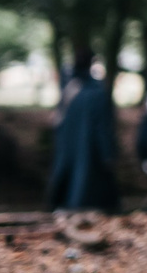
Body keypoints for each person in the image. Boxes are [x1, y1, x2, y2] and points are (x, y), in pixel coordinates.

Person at [47, 61, 120, 212]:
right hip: (90, 155)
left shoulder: (69, 91)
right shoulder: (96, 93)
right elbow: (103, 126)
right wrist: (108, 153)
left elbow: (59, 123)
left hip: (71, 153)